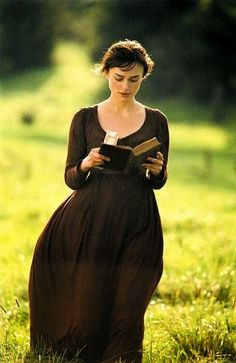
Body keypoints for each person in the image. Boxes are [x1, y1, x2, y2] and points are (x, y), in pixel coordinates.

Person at [28, 39, 169, 363]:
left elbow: (158, 182)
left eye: (134, 79)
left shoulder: (157, 120)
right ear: (105, 73)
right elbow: (70, 177)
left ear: (143, 77)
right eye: (119, 77)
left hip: (138, 220)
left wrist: (158, 172)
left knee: (129, 306)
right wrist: (85, 164)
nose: (125, 85)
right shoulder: (85, 118)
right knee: (88, 307)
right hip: (89, 219)